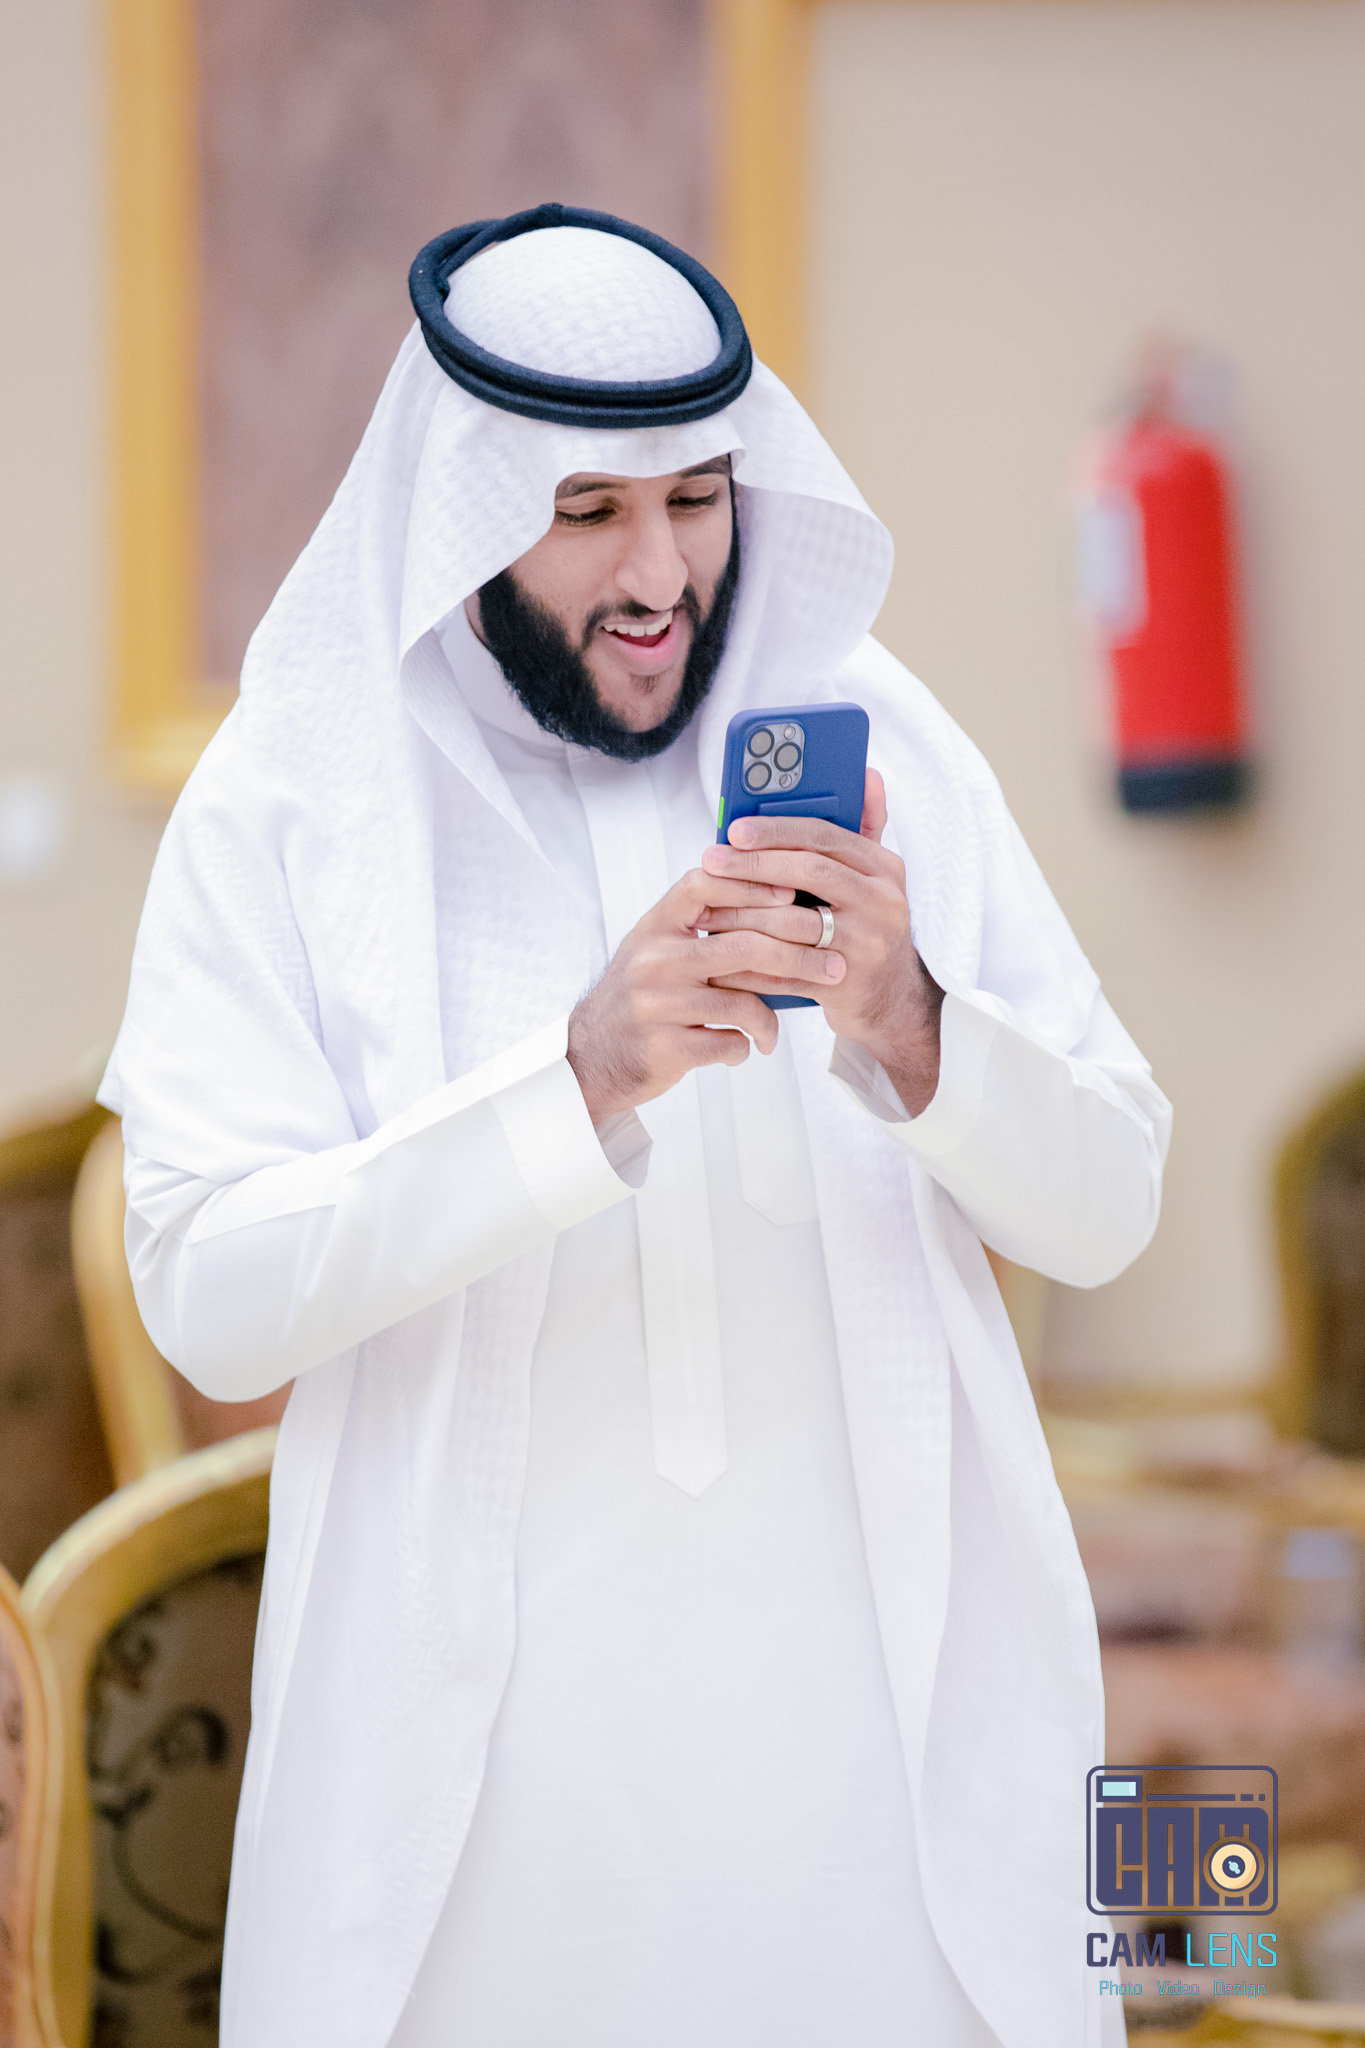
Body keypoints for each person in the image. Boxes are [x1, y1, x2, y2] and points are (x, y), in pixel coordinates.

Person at [100, 206, 1170, 2048]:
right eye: (587, 511)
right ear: (461, 516)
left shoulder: (883, 744)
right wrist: (575, 1082)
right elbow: (209, 1295)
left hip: (887, 1791)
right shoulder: (293, 796)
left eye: (695, 498)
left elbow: (1111, 1203)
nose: (660, 572)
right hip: (482, 1822)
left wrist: (911, 1025)